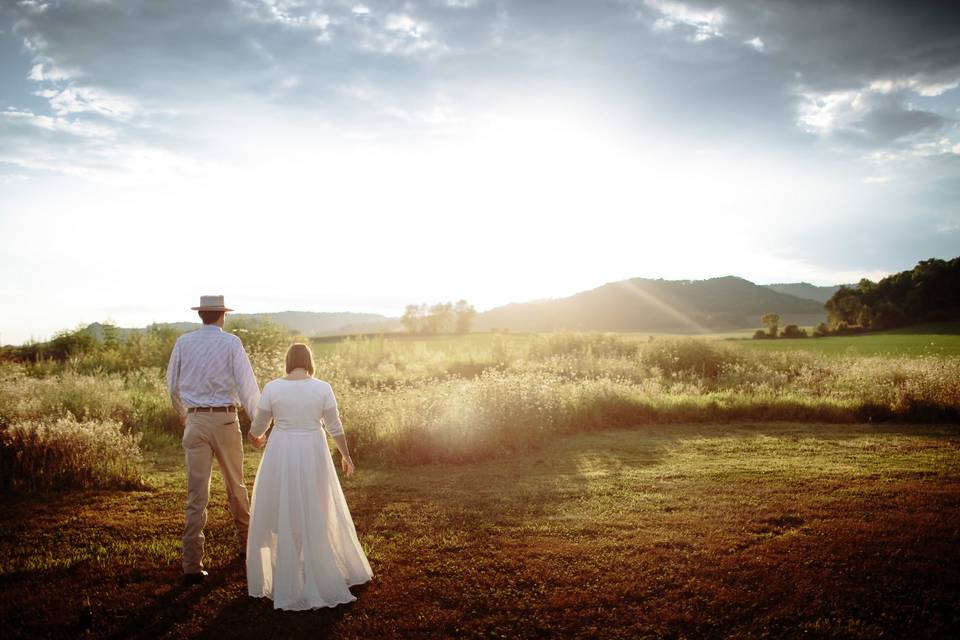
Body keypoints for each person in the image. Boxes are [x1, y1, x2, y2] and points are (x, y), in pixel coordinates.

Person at [246, 342, 373, 610]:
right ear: (309, 361)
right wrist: (346, 455)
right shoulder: (322, 388)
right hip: (313, 449)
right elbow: (334, 425)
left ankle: (290, 569)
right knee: (316, 502)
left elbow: (259, 426)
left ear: (288, 361)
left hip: (281, 450)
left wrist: (254, 437)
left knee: (285, 502)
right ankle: (307, 563)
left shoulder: (272, 388)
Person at [166, 295, 260, 585]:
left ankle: (192, 564)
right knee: (236, 487)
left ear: (200, 316)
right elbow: (247, 387)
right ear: (222, 316)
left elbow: (172, 385)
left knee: (197, 495)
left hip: (195, 421)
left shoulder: (183, 343)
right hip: (225, 420)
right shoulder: (231, 343)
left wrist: (185, 413)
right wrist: (257, 427)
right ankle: (248, 550)